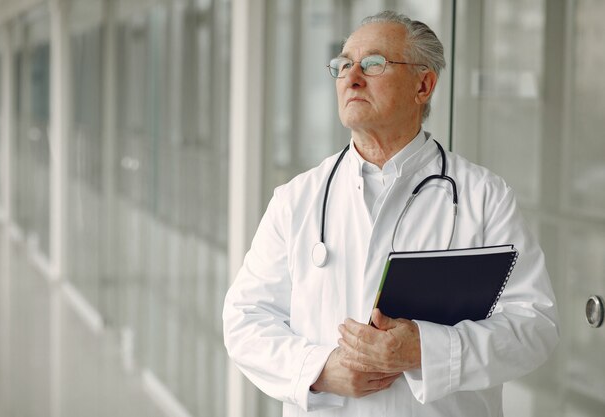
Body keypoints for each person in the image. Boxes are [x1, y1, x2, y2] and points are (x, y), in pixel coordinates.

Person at [223, 10, 559, 417]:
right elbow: (244, 320)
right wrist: (318, 369)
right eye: (344, 64)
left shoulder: (484, 197)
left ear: (423, 85)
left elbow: (534, 326)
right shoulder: (297, 199)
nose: (352, 77)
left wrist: (426, 350)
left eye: (374, 64)